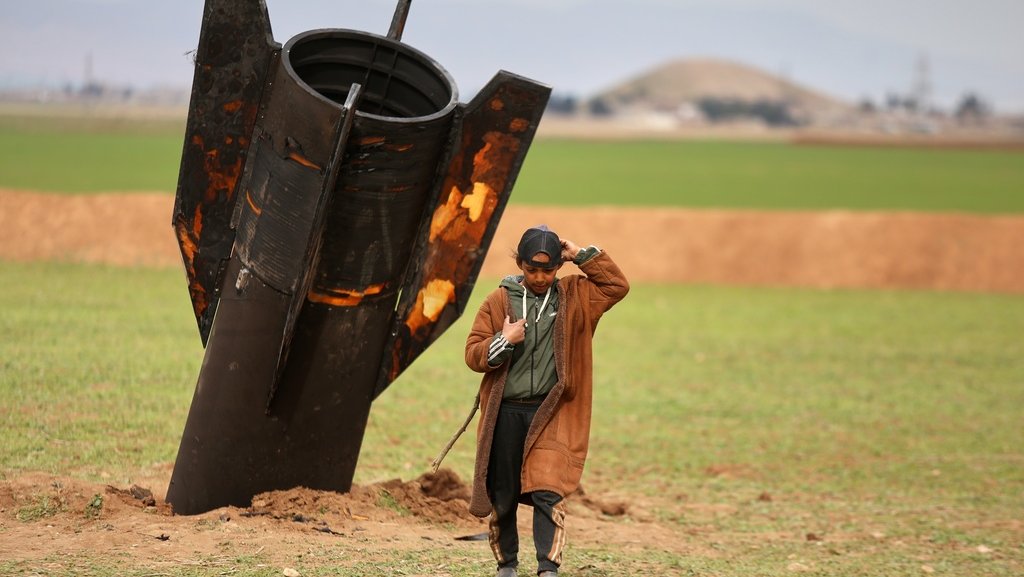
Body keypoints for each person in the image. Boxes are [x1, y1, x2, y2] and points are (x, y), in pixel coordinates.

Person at [465, 225, 629, 577]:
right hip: (506, 412)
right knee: (504, 494)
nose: (540, 277)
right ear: (520, 264)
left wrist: (581, 255)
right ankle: (507, 564)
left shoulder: (576, 296)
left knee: (547, 491)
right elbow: (473, 355)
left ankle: (547, 568)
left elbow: (617, 286)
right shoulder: (498, 301)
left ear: (559, 266)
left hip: (551, 412)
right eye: (532, 269)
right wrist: (504, 340)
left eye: (548, 269)